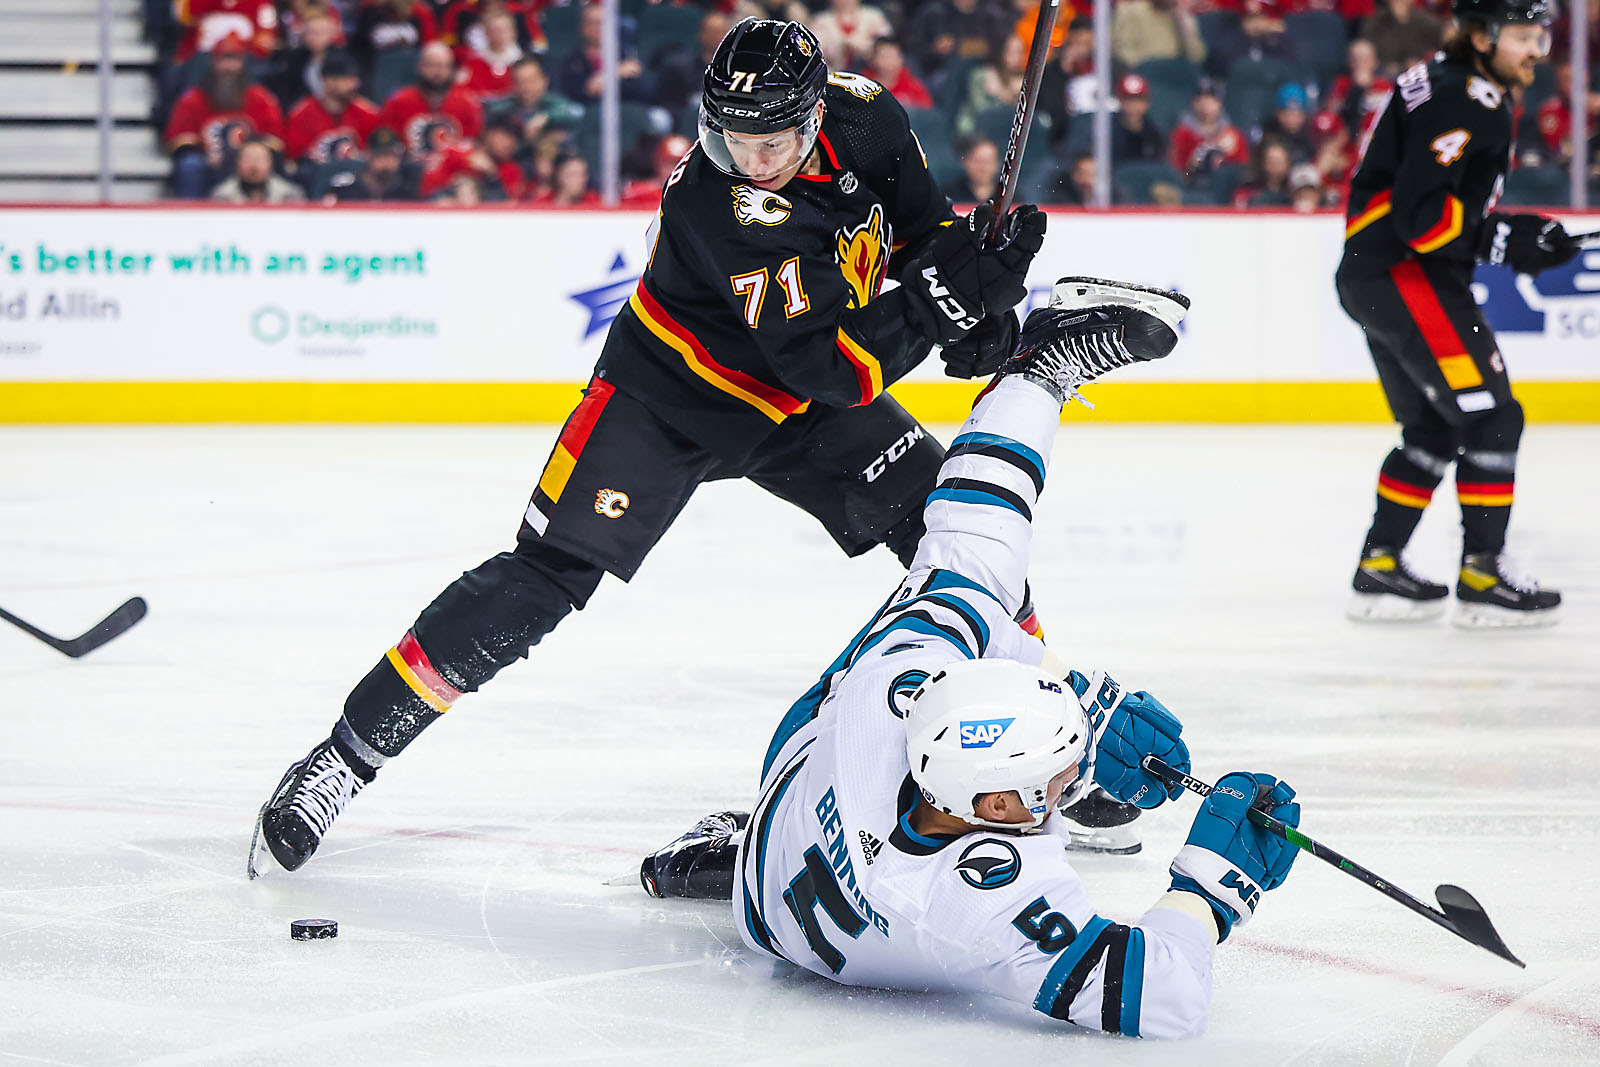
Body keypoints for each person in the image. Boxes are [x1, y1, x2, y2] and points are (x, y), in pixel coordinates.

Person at [249, 18, 1113, 879]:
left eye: (771, 139)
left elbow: (922, 236)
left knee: (952, 533)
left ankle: (1044, 744)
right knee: (540, 580)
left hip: (797, 405)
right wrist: (944, 306)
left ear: (815, 117)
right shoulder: (716, 202)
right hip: (670, 399)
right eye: (733, 138)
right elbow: (833, 366)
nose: (752, 157)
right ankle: (341, 758)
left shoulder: (867, 119)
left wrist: (976, 292)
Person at [640, 279, 1303, 1040]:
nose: (1071, 777)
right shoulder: (980, 894)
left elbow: (961, 590)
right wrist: (1211, 891)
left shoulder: (893, 688)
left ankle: (1038, 364)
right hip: (797, 832)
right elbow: (1163, 997)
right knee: (976, 569)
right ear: (995, 811)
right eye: (1059, 776)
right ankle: (1038, 372)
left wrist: (1084, 705)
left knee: (970, 576)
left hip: (802, 797)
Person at [1337, 0, 1578, 627]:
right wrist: (1501, 239)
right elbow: (1422, 220)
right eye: (1524, 36)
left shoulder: (1443, 82)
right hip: (1406, 275)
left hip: (1376, 274)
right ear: (1482, 35)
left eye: (1541, 36)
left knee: (1437, 430)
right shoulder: (1468, 100)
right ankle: (1483, 573)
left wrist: (1499, 237)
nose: (1537, 51)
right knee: (1493, 417)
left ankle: (1380, 565)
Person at [166, 34, 286, 199]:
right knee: (190, 165)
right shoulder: (193, 99)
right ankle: (190, 215)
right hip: (209, 163)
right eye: (223, 59)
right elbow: (179, 140)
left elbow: (275, 141)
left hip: (248, 164)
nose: (228, 66)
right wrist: (212, 155)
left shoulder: (261, 99)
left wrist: (246, 157)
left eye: (234, 60)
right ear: (213, 62)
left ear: (243, 63)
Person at [377, 41, 484, 162]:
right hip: (409, 170)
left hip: (452, 172)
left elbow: (473, 145)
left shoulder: (468, 103)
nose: (438, 72)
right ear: (419, 66)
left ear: (452, 70)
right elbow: (386, 143)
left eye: (444, 66)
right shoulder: (398, 102)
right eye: (432, 65)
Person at [284, 49, 380, 166]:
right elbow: (295, 160)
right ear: (326, 81)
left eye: (354, 79)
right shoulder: (301, 115)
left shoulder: (368, 114)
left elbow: (375, 156)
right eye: (345, 79)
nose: (353, 85)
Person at [210, 136, 307, 202]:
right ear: (238, 163)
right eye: (248, 159)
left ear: (270, 163)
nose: (254, 165)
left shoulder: (289, 195)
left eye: (259, 159)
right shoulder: (222, 196)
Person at [1111, 73, 1167, 164]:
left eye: (1139, 100)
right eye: (1128, 100)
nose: (1133, 106)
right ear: (1119, 101)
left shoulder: (1155, 135)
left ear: (1147, 103)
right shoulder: (1108, 131)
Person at [943, 134, 999, 202]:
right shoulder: (948, 197)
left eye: (988, 161)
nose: (983, 168)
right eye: (978, 161)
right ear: (965, 162)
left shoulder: (1009, 197)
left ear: (997, 164)